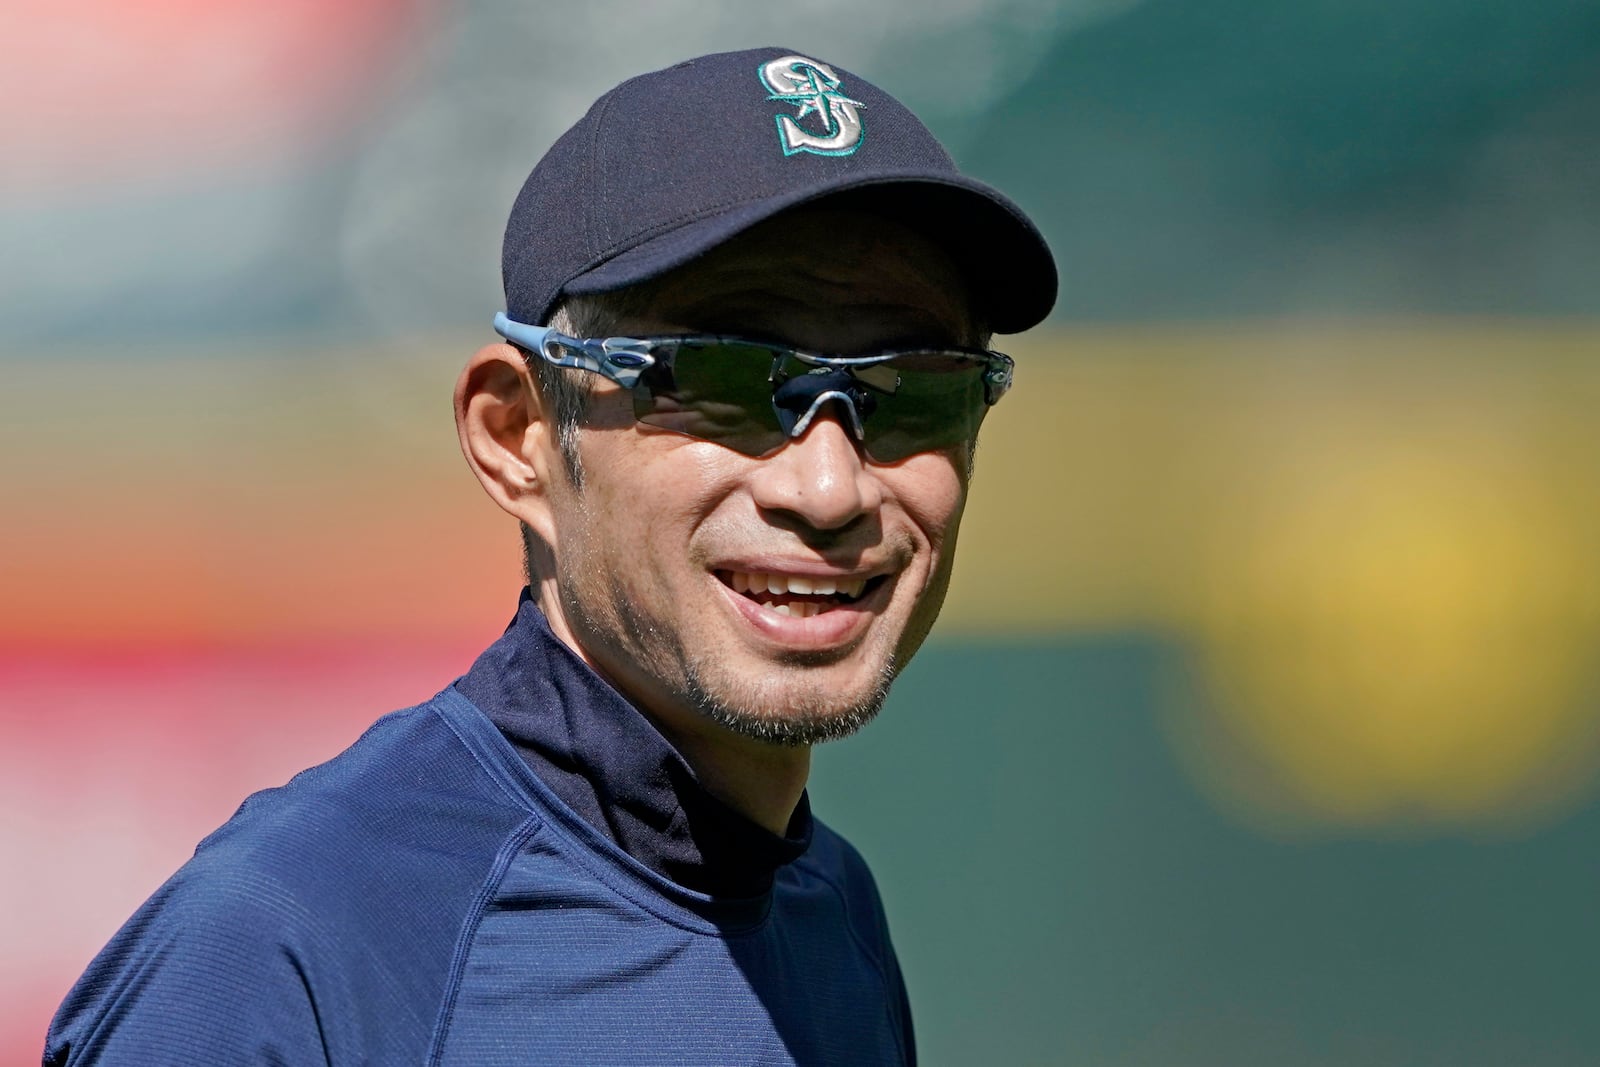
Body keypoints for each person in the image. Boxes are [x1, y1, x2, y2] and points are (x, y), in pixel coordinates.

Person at [44, 47, 1055, 1066]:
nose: (829, 486)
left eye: (915, 383)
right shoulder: (288, 944)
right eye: (723, 377)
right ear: (519, 434)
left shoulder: (828, 909)